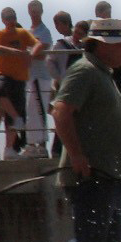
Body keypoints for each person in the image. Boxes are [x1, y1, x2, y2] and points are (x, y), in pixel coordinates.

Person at [27, 18, 121, 242]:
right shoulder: (85, 71)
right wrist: (76, 155)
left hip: (110, 177)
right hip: (93, 178)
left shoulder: (104, 74)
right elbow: (61, 110)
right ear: (102, 45)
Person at [0, 7, 44, 159]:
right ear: (3, 20)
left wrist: (31, 55)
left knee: (12, 117)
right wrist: (13, 51)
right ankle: (17, 118)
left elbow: (38, 43)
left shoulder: (22, 33)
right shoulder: (0, 34)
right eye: (8, 18)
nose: (11, 21)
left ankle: (9, 149)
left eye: (13, 17)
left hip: (20, 78)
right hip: (4, 74)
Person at [22, 0, 56, 158]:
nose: (34, 13)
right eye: (32, 10)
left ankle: (42, 145)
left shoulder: (44, 31)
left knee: (40, 109)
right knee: (30, 110)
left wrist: (31, 55)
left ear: (41, 11)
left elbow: (42, 49)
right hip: (29, 76)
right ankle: (30, 144)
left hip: (40, 76)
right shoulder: (27, 31)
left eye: (37, 10)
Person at [48, 15, 84, 159]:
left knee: (78, 119)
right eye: (76, 32)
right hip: (64, 86)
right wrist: (59, 78)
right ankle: (57, 150)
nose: (77, 36)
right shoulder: (61, 44)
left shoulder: (85, 47)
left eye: (81, 34)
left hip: (80, 88)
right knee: (63, 117)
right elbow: (50, 62)